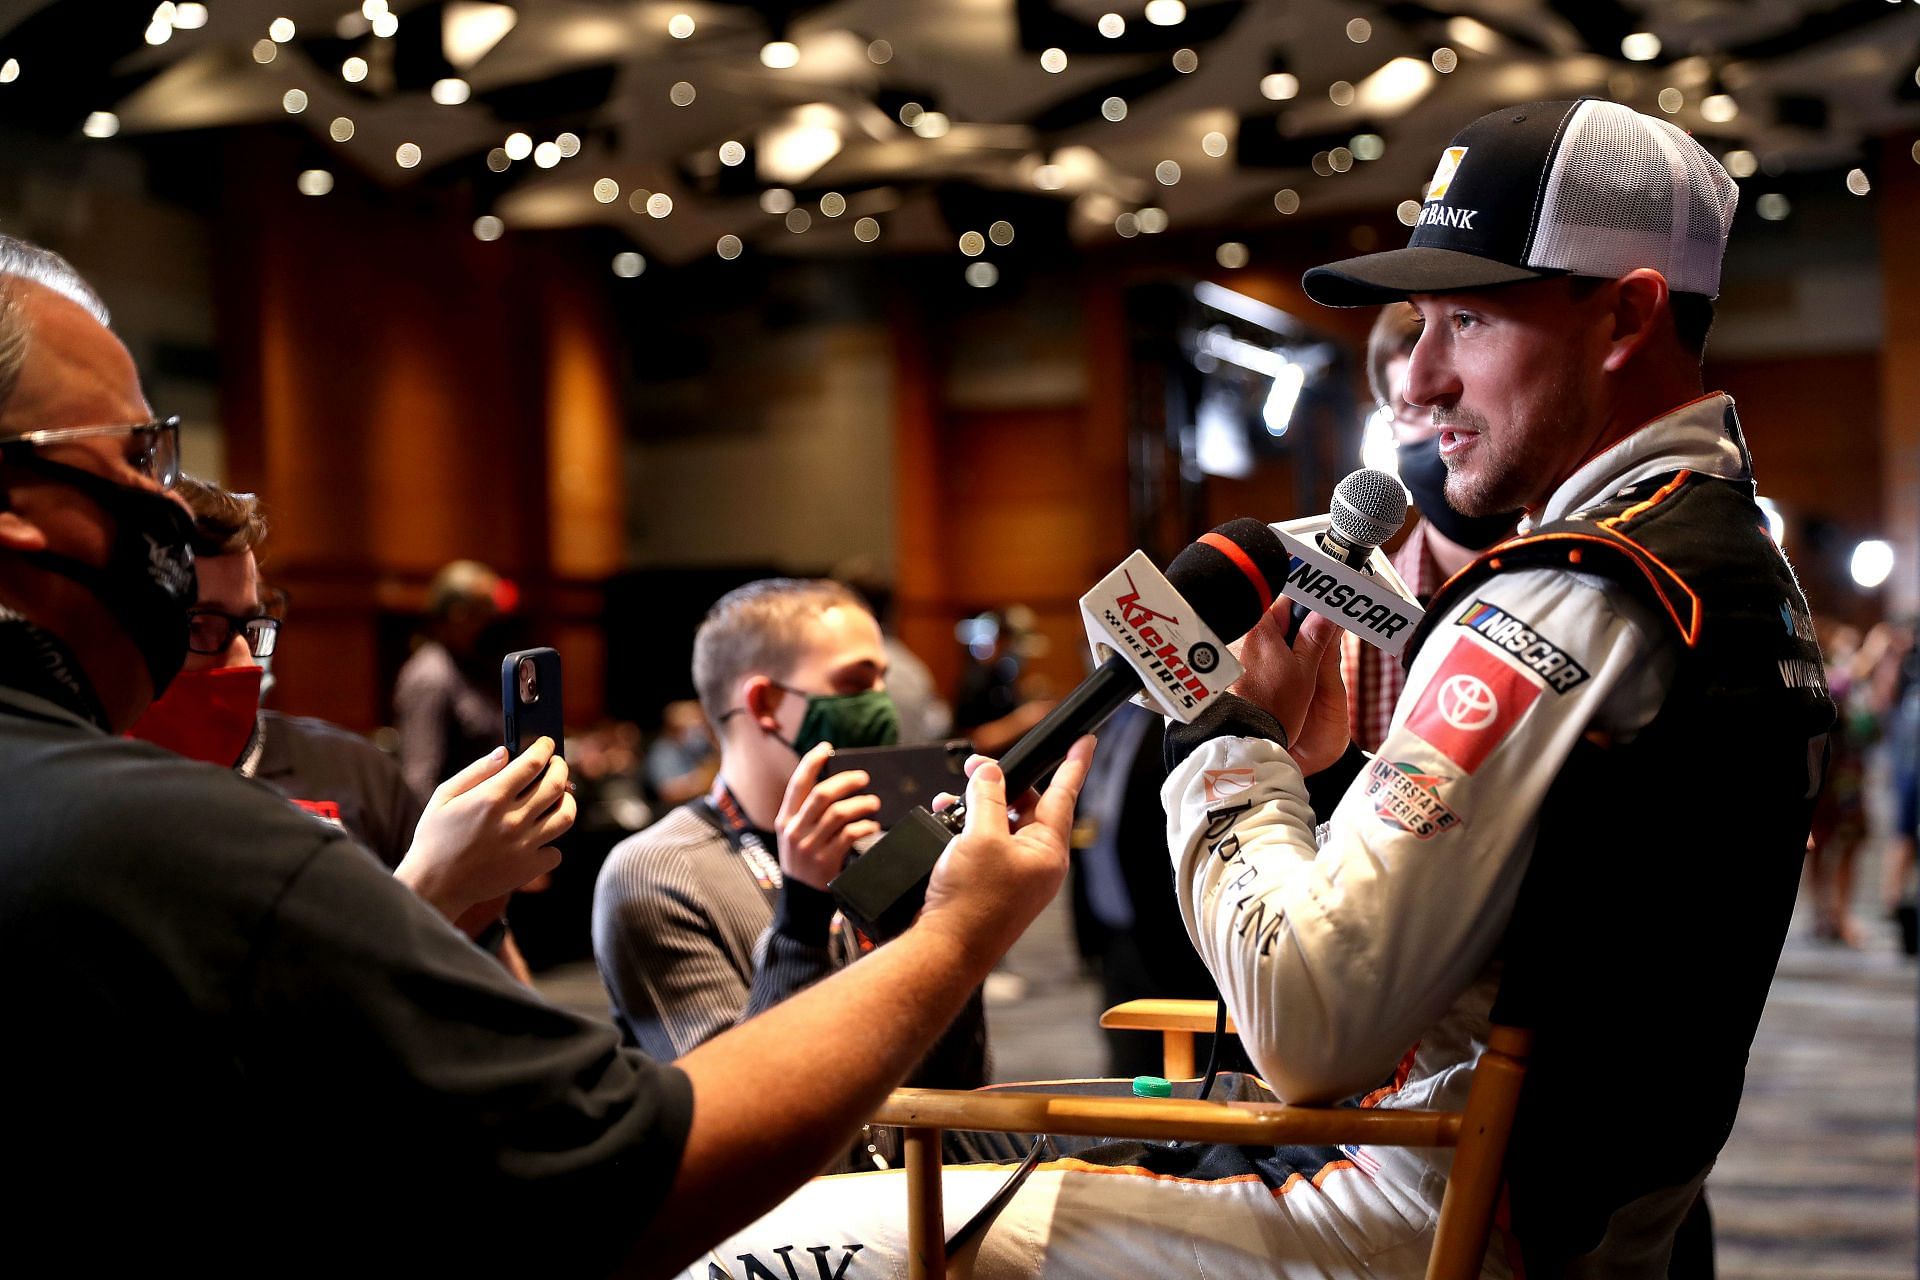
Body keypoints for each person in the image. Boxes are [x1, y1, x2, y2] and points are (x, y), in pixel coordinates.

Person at [695, 98, 1834, 1279]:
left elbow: (1307, 1019)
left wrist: (1227, 735)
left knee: (748, 1240)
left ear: (1627, 315)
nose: (1424, 380)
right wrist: (1308, 776)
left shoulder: (1560, 599)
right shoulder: (1744, 577)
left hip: (1403, 1207)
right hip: (1582, 1219)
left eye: (1467, 321)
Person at [0, 234, 1091, 1270]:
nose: (159, 496)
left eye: (253, 625)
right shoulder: (184, 841)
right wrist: (956, 929)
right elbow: (627, 1179)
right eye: (138, 453)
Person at [593, 578, 990, 1171]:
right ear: (765, 705)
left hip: (913, 1207)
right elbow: (738, 1123)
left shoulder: (874, 843)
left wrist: (959, 929)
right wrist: (801, 915)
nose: (884, 702)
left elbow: (956, 1094)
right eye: (856, 684)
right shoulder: (655, 871)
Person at [128, 476, 544, 976]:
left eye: (250, 624)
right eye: (201, 625)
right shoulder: (82, 801)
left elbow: (486, 946)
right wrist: (429, 887)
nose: (243, 657)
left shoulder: (356, 771)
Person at [1345, 303, 1518, 751]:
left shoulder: (1586, 592)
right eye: (1413, 407)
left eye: (1458, 396)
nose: (1443, 423)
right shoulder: (1350, 635)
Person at [393, 556, 514, 799]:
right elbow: (420, 780)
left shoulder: (473, 666)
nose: (493, 617)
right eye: (484, 609)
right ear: (459, 613)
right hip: (463, 829)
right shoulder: (430, 677)